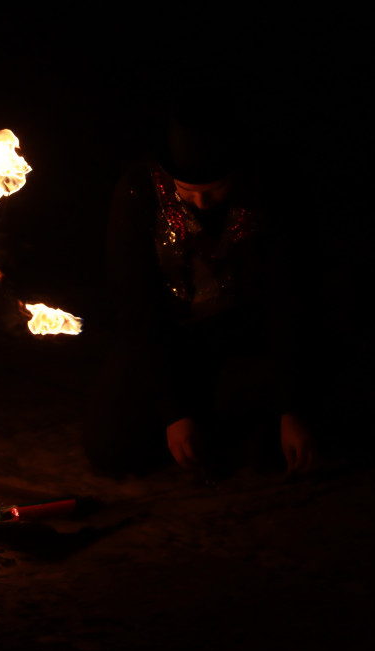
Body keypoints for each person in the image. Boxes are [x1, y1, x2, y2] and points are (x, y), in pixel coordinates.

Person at [87, 93, 316, 479]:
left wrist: (292, 407)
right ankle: (212, 412)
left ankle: (257, 410)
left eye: (214, 189)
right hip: (176, 331)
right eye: (187, 191)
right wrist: (173, 411)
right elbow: (135, 305)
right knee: (108, 449)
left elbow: (289, 293)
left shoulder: (268, 185)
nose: (201, 202)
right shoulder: (137, 191)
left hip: (249, 321)